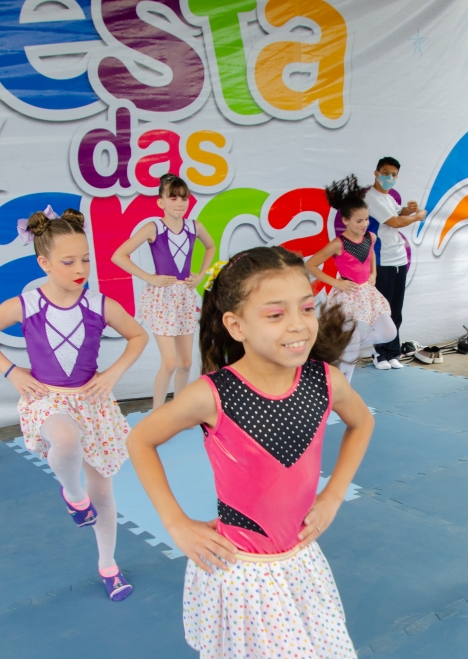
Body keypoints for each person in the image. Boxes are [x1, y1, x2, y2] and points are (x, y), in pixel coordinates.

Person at [126, 246, 374, 657]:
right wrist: (176, 523)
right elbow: (140, 439)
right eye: (275, 315)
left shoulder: (325, 380)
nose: (298, 325)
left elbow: (362, 422)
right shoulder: (213, 394)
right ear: (236, 325)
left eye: (307, 308)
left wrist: (333, 496)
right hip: (243, 573)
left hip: (301, 564)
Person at [0, 208, 148, 601]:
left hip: (93, 401)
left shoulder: (100, 304)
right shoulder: (27, 305)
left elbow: (138, 336)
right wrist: (11, 371)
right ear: (44, 263)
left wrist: (113, 374)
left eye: (85, 259)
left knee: (104, 493)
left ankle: (108, 566)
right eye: (68, 261)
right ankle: (72, 493)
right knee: (64, 440)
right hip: (47, 400)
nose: (80, 267)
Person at [111, 173, 215, 408]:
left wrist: (200, 275)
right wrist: (149, 278)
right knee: (169, 363)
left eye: (184, 198)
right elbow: (118, 255)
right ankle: (158, 413)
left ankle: (178, 409)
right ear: (161, 202)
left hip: (185, 297)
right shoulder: (153, 227)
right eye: (173, 198)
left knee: (186, 362)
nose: (179, 203)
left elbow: (210, 246)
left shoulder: (194, 226)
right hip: (163, 299)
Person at [306, 175, 397, 383]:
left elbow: (372, 253)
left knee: (388, 332)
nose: (364, 224)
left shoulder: (371, 237)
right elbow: (310, 264)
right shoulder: (338, 243)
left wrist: (373, 273)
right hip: (348, 295)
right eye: (359, 221)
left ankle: (344, 345)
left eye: (366, 219)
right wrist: (335, 282)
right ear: (345, 220)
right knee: (352, 346)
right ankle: (343, 386)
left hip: (367, 293)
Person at [366, 157, 426, 370]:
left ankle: (393, 352)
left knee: (396, 310)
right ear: (376, 173)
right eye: (385, 173)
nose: (389, 178)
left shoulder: (388, 197)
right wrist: (417, 216)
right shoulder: (370, 197)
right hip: (382, 260)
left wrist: (408, 210)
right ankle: (379, 353)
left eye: (393, 175)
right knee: (383, 310)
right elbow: (394, 222)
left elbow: (398, 214)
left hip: (399, 259)